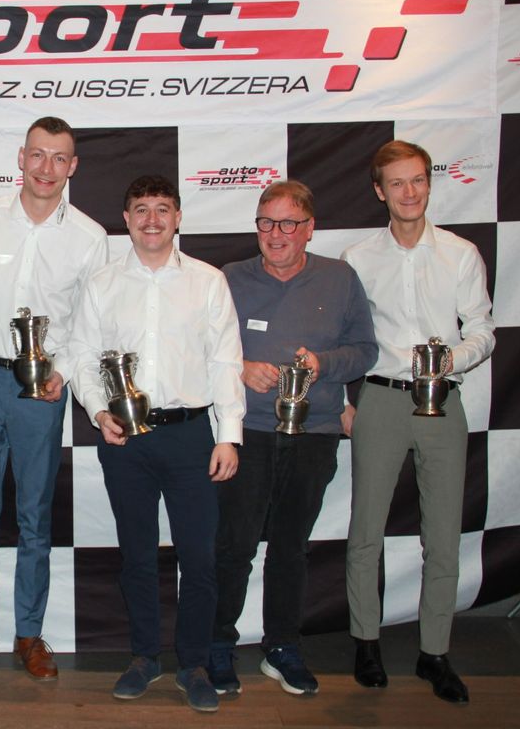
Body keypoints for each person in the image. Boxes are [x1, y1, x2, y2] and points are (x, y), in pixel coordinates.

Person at [70, 175, 244, 713]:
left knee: (200, 559)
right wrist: (98, 411)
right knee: (138, 557)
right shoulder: (102, 283)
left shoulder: (208, 281)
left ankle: (193, 664)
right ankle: (144, 657)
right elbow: (81, 356)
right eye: (141, 209)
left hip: (192, 436)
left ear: (178, 217)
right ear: (126, 219)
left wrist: (229, 435)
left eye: (162, 209)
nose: (152, 219)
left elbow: (226, 361)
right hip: (125, 439)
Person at [341, 140, 495, 705]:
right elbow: (347, 337)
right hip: (380, 399)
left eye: (418, 180)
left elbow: (483, 330)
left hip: (443, 401)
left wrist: (450, 360)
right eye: (398, 183)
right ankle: (366, 643)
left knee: (443, 535)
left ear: (429, 183)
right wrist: (342, 402)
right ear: (379, 191)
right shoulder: (358, 258)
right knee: (366, 532)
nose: (410, 192)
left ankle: (435, 653)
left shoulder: (460, 253)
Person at [210, 180, 377, 697]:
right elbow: (200, 346)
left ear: (309, 229)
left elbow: (366, 350)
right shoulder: (229, 278)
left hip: (314, 432)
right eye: (266, 222)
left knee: (290, 547)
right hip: (247, 432)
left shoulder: (340, 278)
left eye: (288, 223)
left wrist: (324, 364)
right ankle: (218, 644)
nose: (276, 233)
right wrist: (241, 367)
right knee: (234, 546)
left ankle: (282, 646)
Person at [0, 116, 109, 682]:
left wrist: (62, 372)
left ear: (73, 166)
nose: (47, 168)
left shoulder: (90, 238)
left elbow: (90, 326)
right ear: (21, 158)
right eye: (38, 155)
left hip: (42, 390)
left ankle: (28, 633)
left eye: (59, 158)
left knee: (34, 519)